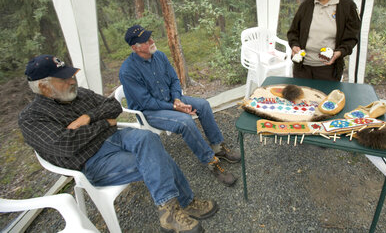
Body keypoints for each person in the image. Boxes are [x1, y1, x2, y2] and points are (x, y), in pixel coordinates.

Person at [18, 54, 217, 233]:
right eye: (64, 78)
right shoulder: (32, 118)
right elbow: (66, 145)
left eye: (71, 75)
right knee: (156, 157)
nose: (72, 81)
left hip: (115, 137)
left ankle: (173, 210)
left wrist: (88, 117)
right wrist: (104, 122)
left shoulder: (80, 94)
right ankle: (181, 205)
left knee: (149, 139)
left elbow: (114, 105)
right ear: (44, 86)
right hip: (92, 161)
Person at [119, 25, 240, 187]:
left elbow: (174, 80)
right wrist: (175, 108)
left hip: (171, 100)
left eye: (150, 37)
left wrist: (177, 99)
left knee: (203, 105)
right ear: (135, 47)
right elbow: (145, 102)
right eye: (147, 40)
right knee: (185, 121)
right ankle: (210, 161)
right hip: (149, 111)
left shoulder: (159, 56)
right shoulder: (127, 71)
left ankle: (218, 147)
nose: (152, 41)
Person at [287, 0, 361, 81]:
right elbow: (293, 32)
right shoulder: (306, 6)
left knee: (325, 100)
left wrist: (339, 53)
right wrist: (294, 45)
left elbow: (351, 39)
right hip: (302, 69)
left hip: (328, 71)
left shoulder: (347, 7)